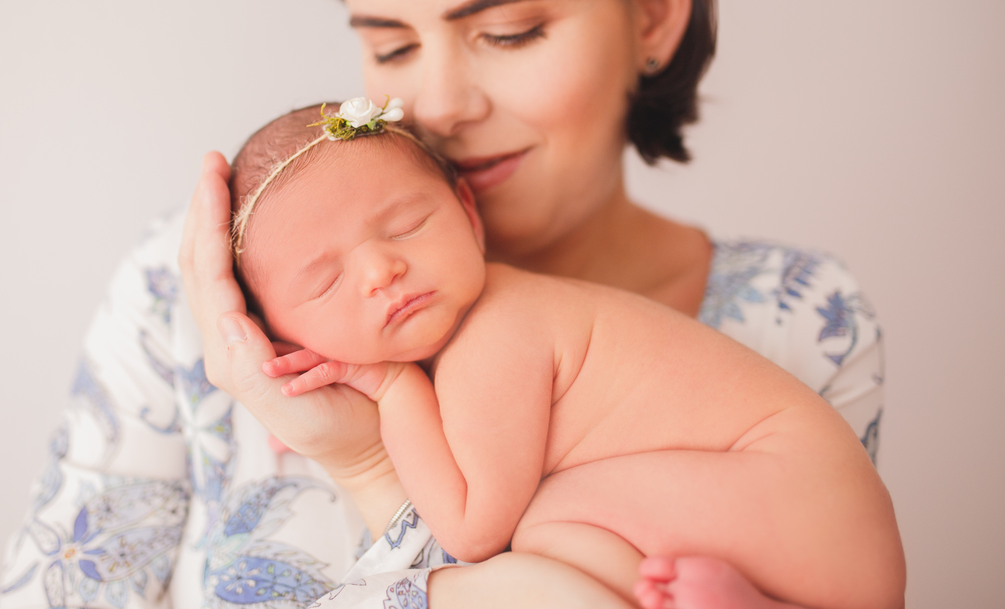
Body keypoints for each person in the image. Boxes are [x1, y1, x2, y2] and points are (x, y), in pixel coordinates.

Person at [0, 0, 887, 607]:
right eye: (391, 47)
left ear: (653, 11)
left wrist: (369, 459)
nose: (440, 106)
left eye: (509, 32)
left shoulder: (799, 318)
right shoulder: (196, 305)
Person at [227, 101, 903, 608]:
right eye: (327, 281)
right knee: (558, 539)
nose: (382, 271)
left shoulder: (497, 331)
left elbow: (470, 530)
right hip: (809, 518)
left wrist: (391, 389)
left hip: (803, 504)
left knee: (538, 526)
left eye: (407, 226)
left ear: (467, 212)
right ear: (281, 336)